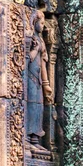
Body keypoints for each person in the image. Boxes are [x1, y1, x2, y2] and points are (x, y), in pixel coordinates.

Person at [26, 10, 53, 153]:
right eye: (41, 23)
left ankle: (35, 139)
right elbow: (27, 58)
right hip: (28, 78)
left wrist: (46, 83)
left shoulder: (41, 40)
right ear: (34, 22)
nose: (43, 26)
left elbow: (43, 64)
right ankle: (26, 139)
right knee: (29, 106)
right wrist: (35, 49)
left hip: (38, 80)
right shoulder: (30, 38)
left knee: (38, 107)